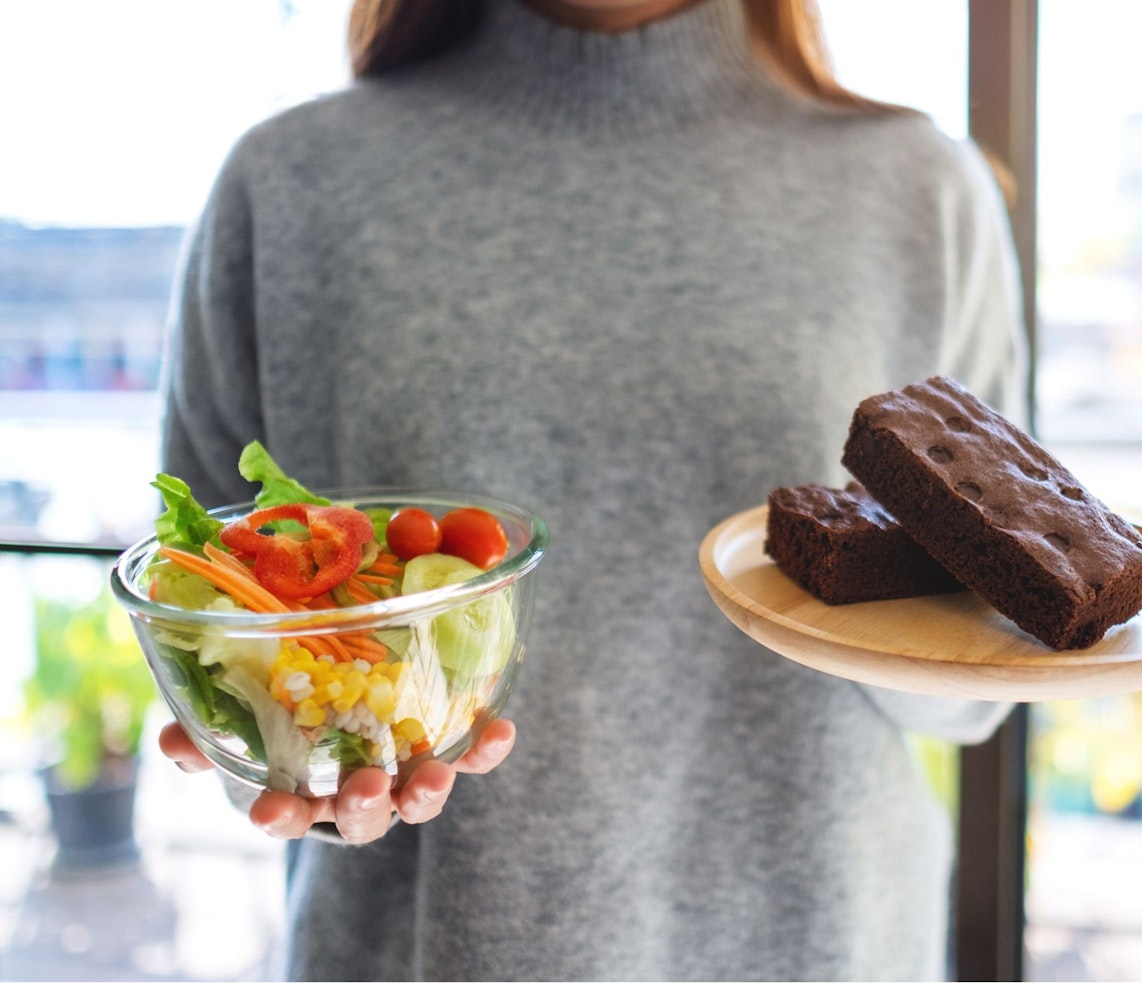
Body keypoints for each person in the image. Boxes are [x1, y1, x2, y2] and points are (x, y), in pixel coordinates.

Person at [156, 0, 1028, 977]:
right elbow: (207, 627)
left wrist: (989, 632)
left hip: (822, 943)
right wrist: (290, 760)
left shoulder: (921, 190)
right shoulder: (288, 186)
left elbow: (974, 687)